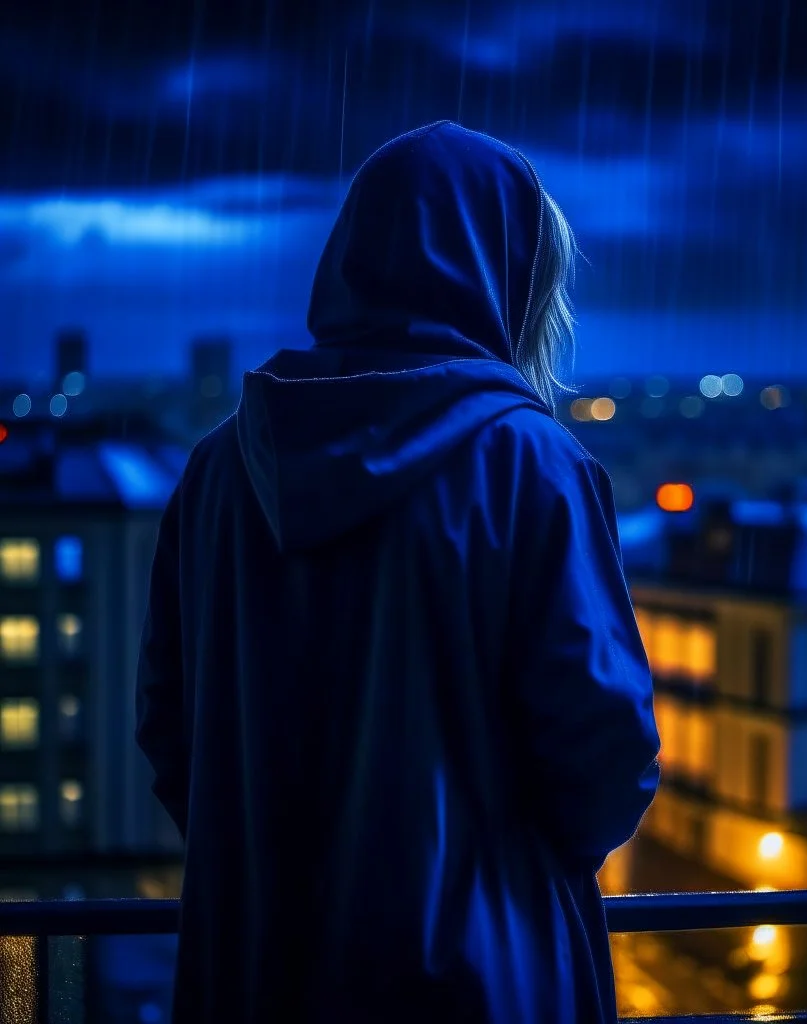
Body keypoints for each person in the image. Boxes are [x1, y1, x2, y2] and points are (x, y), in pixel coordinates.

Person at [136, 120, 660, 1024]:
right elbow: (604, 758)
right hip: (481, 984)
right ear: (505, 277)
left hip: (258, 972)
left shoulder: (219, 472)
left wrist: (278, 861)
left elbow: (169, 732)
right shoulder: (533, 467)